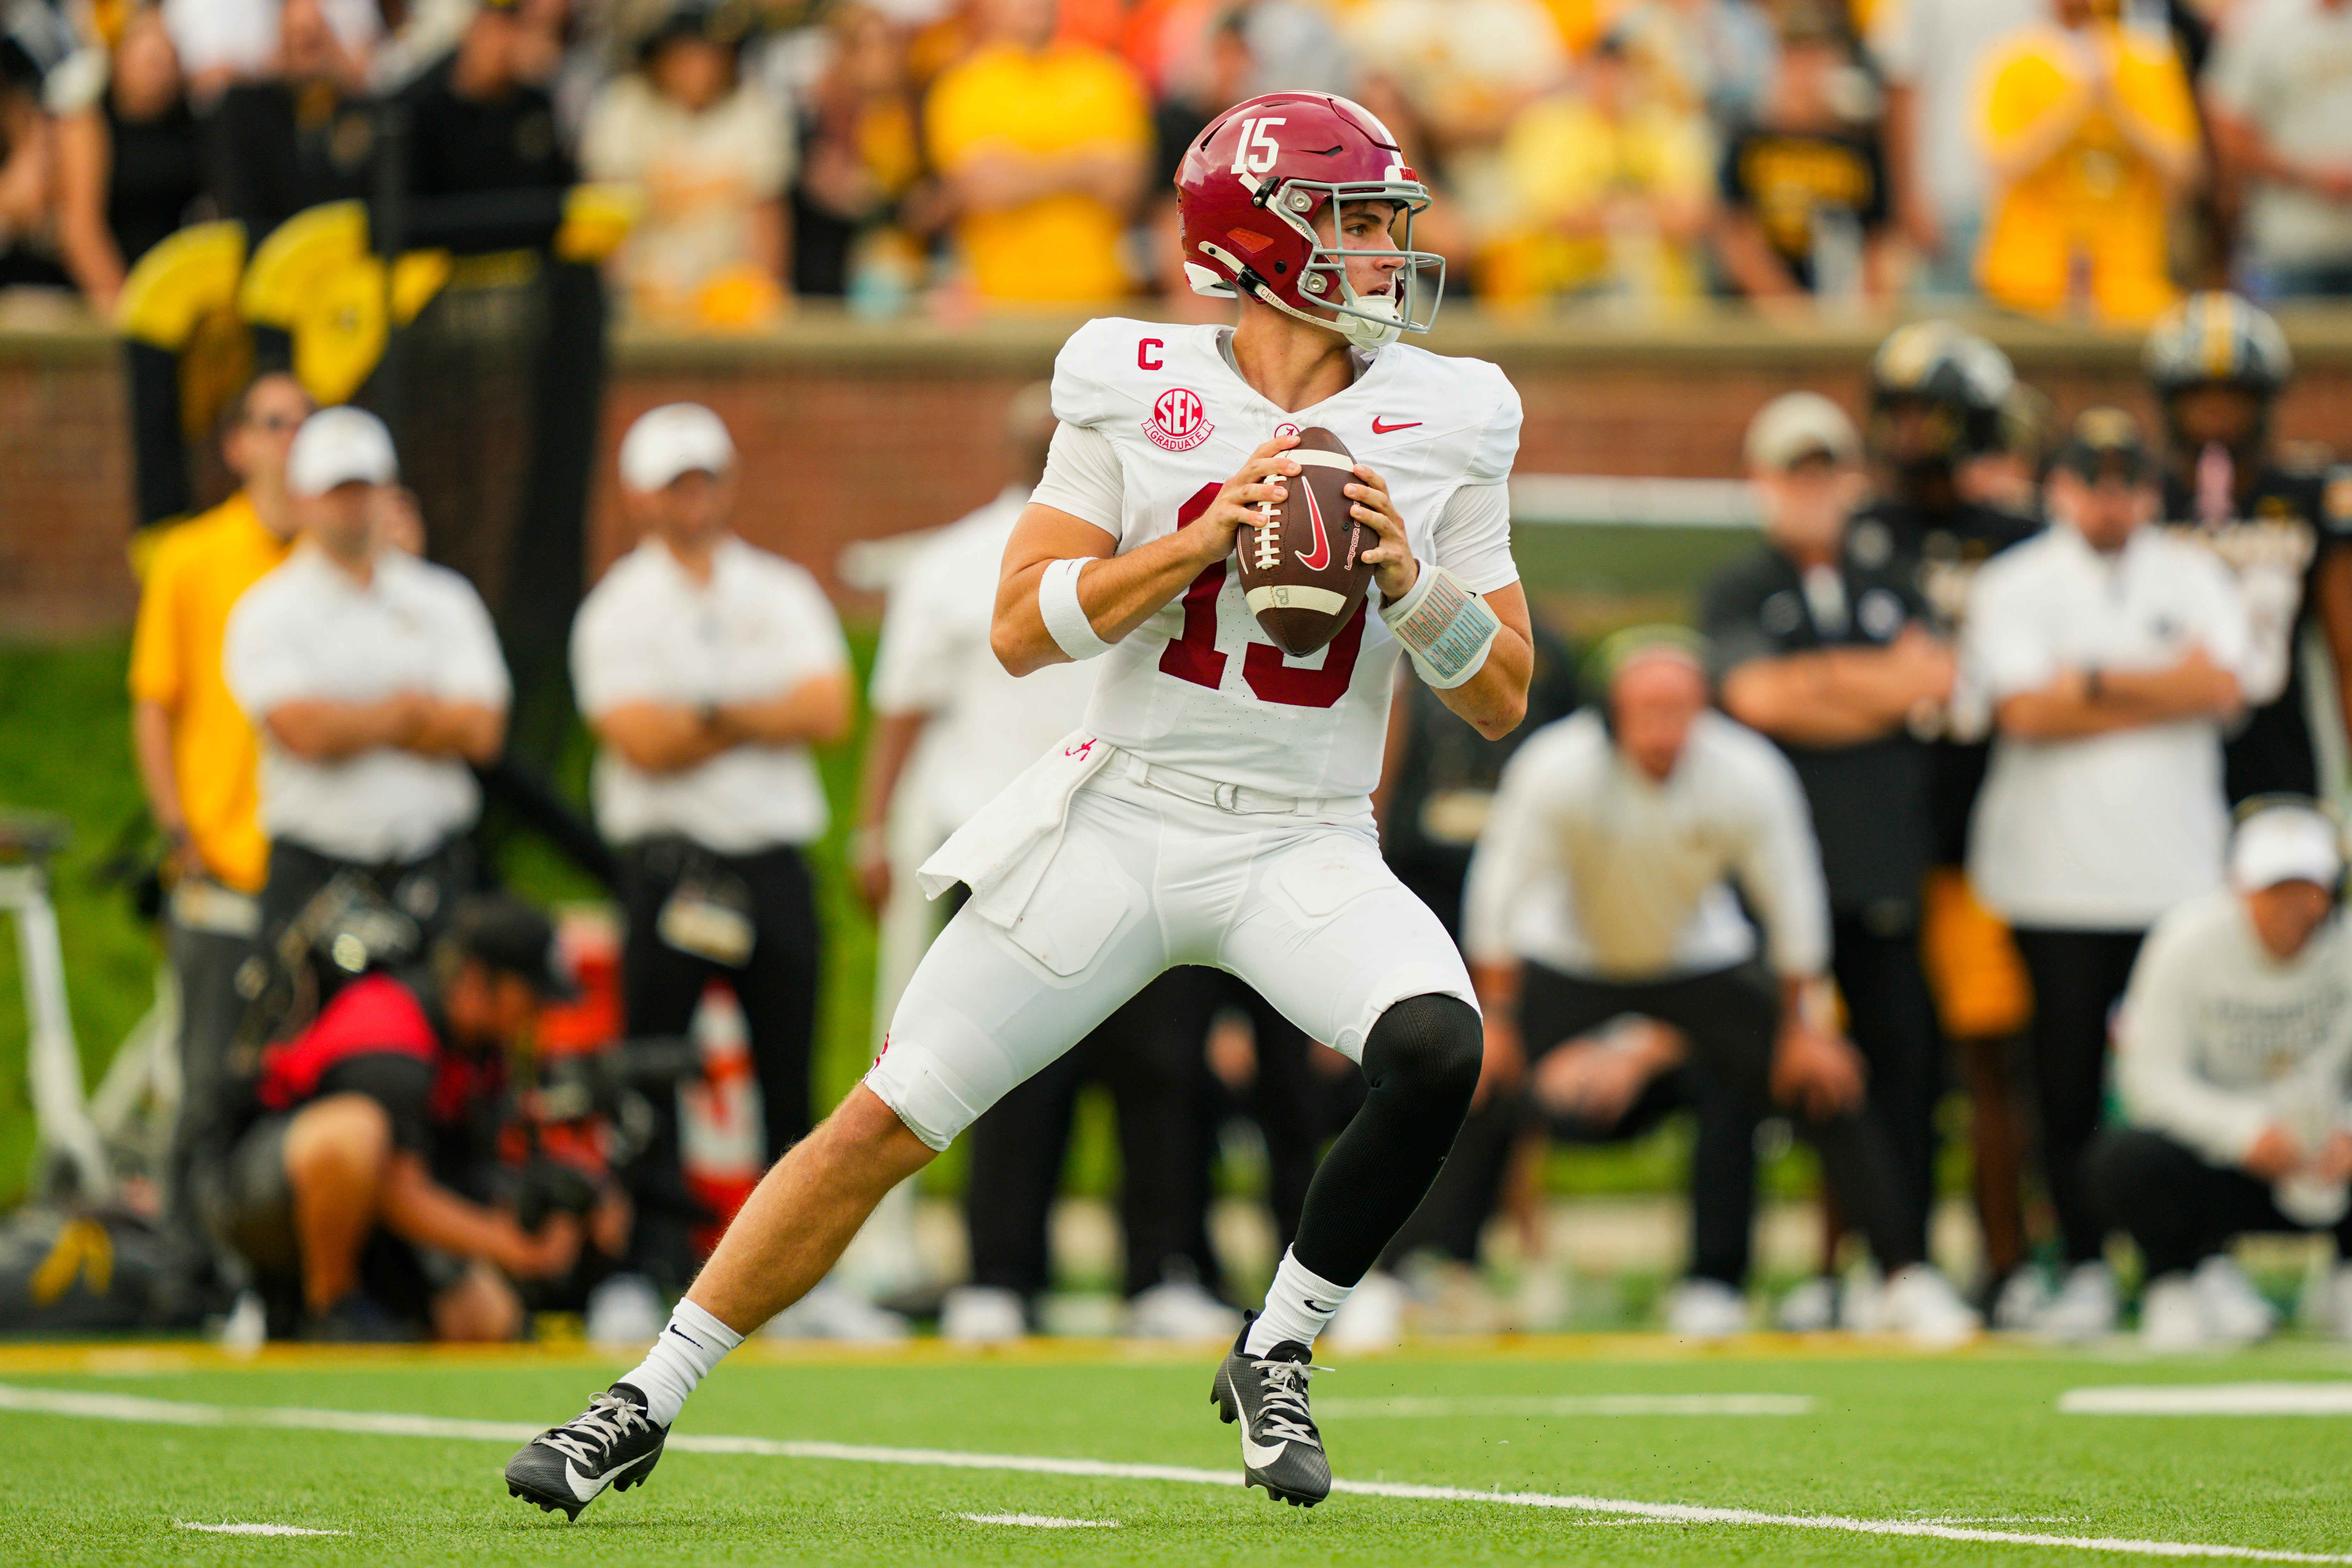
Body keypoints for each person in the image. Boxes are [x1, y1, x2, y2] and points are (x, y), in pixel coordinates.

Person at [509, 90, 1529, 1517]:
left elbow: (1502, 691)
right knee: (891, 1115)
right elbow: (1020, 625)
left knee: (1434, 1048)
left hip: (1302, 836)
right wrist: (1197, 539)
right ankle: (641, 1397)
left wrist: (1410, 588)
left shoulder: (1453, 415)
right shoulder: (1132, 378)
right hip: (1124, 815)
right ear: (1260, 238)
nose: (1385, 252)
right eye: (1356, 222)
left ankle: (1278, 1346)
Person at [1459, 627, 1977, 1344]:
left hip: (1700, 957)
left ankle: (1903, 1277)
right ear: (1612, 710)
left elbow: (1792, 897)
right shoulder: (1555, 767)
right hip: (1566, 956)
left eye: (1681, 707)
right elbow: (1498, 893)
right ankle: (1406, 1277)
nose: (1665, 726)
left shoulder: (1746, 771)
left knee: (1828, 1079)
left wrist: (1805, 1025)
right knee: (1464, 1076)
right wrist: (1499, 1017)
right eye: (1648, 708)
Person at [858, 383, 1236, 1343]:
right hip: (1010, 846)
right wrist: (870, 829)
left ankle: (1159, 1269)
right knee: (1007, 1067)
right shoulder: (948, 565)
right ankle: (998, 1273)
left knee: (1159, 1071)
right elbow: (899, 709)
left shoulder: (1160, 540)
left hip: (1145, 834)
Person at [1963, 406, 2261, 1339]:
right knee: (2061, 1082)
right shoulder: (2014, 582)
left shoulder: (2194, 572)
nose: (2108, 500)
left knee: (2191, 1073)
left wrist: (2087, 680)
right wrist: (2156, 685)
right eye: (2090, 481)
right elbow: (2021, 711)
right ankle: (2084, 1262)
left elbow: (2224, 688)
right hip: (2050, 878)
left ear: (2147, 490)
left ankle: (2190, 1260)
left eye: (2125, 481)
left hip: (2173, 873)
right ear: (2058, 490)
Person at [568, 402, 854, 1307]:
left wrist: (706, 713)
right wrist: (756, 710)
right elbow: (637, 738)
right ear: (641, 497)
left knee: (791, 1070)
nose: (692, 498)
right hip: (669, 864)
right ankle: (646, 1266)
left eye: (703, 478)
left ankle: (796, 1279)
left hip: (772, 859)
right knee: (651, 1067)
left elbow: (828, 709)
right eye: (673, 483)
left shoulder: (777, 588)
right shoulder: (617, 607)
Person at [1701, 391, 1954, 1320]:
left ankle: (1902, 1268)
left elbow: (1935, 681)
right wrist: (1872, 686)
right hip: (1766, 872)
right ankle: (1718, 1276)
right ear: (1761, 483)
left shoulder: (1892, 576)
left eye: (1825, 470)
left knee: (1899, 1069)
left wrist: (1819, 683)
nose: (1812, 490)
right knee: (1742, 1069)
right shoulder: (1735, 584)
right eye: (1792, 472)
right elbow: (1755, 698)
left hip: (1880, 859)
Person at [1847, 320, 2042, 1314]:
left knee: (1990, 1060)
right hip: (1878, 840)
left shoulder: (2018, 537)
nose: (1913, 431)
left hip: (1983, 839)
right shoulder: (1858, 530)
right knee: (1882, 1064)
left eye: (1933, 411)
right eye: (1902, 410)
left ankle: (2009, 1261)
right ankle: (1881, 1265)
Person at [197, 893, 590, 1339]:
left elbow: (465, 1170)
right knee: (356, 1132)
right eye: (531, 996)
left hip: (366, 1211)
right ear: (480, 980)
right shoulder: (392, 1031)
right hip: (249, 1184)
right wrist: (505, 1244)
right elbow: (401, 1191)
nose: (536, 1016)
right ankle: (330, 1309)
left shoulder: (482, 1055)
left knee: (489, 1319)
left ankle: (375, 1314)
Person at [128, 371, 313, 1266]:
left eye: (305, 426)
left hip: (310, 864)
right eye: (274, 424)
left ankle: (259, 1260)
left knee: (291, 1079)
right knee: (203, 1076)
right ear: (238, 444)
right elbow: (155, 702)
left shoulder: (333, 557)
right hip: (223, 858)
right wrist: (178, 831)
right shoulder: (193, 556)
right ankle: (177, 1259)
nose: (291, 442)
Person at [224, 406, 510, 945]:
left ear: (390, 492)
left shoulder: (445, 599)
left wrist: (355, 721)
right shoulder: (267, 610)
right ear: (302, 496)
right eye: (337, 491)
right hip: (316, 877)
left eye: (363, 488)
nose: (352, 507)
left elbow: (482, 732)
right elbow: (303, 732)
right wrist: (412, 714)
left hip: (433, 868)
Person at [2088, 801, 2352, 1351]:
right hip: (2225, 1158)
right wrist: (2247, 1132)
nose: (2292, 906)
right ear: (2239, 886)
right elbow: (2149, 1079)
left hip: (2332, 1153)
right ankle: (2180, 1278)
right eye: (2273, 888)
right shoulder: (2183, 941)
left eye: (2306, 887)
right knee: (2125, 1158)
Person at [2146, 292, 2352, 804]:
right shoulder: (2142, 500)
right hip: (2158, 754)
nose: (2216, 412)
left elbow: (2348, 650)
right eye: (2200, 394)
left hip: (2277, 759)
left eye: (2233, 395)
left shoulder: (2310, 497)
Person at [1972, 0, 2200, 324]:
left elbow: (2186, 172)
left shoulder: (2147, 60)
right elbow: (2002, 168)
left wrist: (2117, 111)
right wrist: (2075, 108)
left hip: (2130, 288)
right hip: (2029, 285)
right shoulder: (2015, 61)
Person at [922, 0, 1150, 305]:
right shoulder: (962, 88)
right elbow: (982, 190)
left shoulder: (1105, 77)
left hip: (1100, 298)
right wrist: (1086, 166)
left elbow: (1126, 184)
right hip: (998, 303)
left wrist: (1017, 169)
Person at [580, 2, 791, 326]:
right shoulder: (624, 105)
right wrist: (603, 302)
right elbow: (603, 209)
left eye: (708, 56)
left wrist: (769, 296)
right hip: (640, 294)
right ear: (660, 59)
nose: (697, 68)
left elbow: (768, 214)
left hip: (728, 301)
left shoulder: (755, 108)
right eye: (684, 56)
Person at [1480, 33, 1716, 306]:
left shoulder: (1663, 127)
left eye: (1626, 69)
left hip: (1663, 302)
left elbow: (1692, 216)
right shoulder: (1547, 125)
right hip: (1570, 293)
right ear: (1587, 70)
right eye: (1607, 68)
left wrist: (1604, 212)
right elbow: (1557, 216)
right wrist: (1649, 213)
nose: (1616, 81)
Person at [1713, 5, 1894, 311]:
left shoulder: (1860, 145)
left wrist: (1861, 317)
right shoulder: (1749, 141)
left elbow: (1880, 242)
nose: (1805, 72)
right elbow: (1737, 238)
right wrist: (1791, 313)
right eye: (1795, 57)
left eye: (1815, 58)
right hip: (1759, 320)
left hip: (1841, 309)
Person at [1867, 0, 2039, 296]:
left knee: (2029, 336)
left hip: (2034, 202)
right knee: (1946, 330)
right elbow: (1900, 85)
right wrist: (1910, 198)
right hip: (1950, 198)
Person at [53, 6, 204, 318]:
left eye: (165, 46)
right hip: (109, 302)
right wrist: (131, 314)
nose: (157, 58)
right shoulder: (89, 125)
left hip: (180, 298)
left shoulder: (194, 125)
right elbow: (80, 233)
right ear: (118, 56)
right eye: (144, 45)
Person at [2203, 0, 2352, 299]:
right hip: (2289, 248)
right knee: (2296, 343)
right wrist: (2309, 176)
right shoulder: (2261, 21)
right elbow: (2224, 124)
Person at [203, 0, 381, 246]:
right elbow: (246, 210)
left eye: (314, 41)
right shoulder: (246, 112)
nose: (305, 52)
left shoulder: (362, 113)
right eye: (295, 38)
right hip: (272, 259)